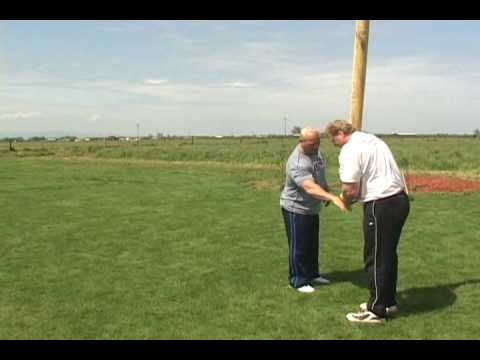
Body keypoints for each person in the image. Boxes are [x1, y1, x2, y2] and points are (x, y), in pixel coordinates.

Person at [325, 119, 410, 324]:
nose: (334, 144)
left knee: (375, 256)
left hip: (380, 203)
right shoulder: (372, 140)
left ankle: (376, 309)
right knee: (387, 253)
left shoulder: (349, 149)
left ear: (338, 133)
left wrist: (344, 201)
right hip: (400, 200)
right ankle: (387, 301)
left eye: (332, 140)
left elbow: (350, 189)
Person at [280, 127, 348, 294]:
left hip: (311, 207)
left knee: (312, 243)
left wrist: (325, 191)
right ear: (301, 142)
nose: (316, 146)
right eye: (312, 144)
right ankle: (297, 280)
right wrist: (331, 198)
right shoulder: (297, 162)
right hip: (296, 208)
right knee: (299, 245)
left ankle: (312, 274)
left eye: (318, 142)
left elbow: (319, 175)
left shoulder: (318, 153)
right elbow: (309, 187)